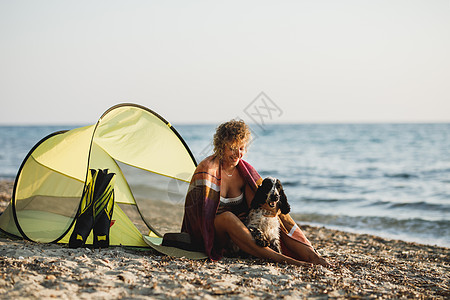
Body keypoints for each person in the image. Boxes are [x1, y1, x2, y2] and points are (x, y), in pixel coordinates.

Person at [181, 119, 328, 267]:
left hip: (241, 231)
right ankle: (284, 260)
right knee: (227, 217)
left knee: (275, 217)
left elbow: (258, 207)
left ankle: (312, 256)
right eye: (232, 148)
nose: (238, 154)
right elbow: (197, 212)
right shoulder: (207, 168)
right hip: (212, 232)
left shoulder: (244, 172)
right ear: (221, 146)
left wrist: (271, 210)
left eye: (241, 148)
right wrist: (233, 221)